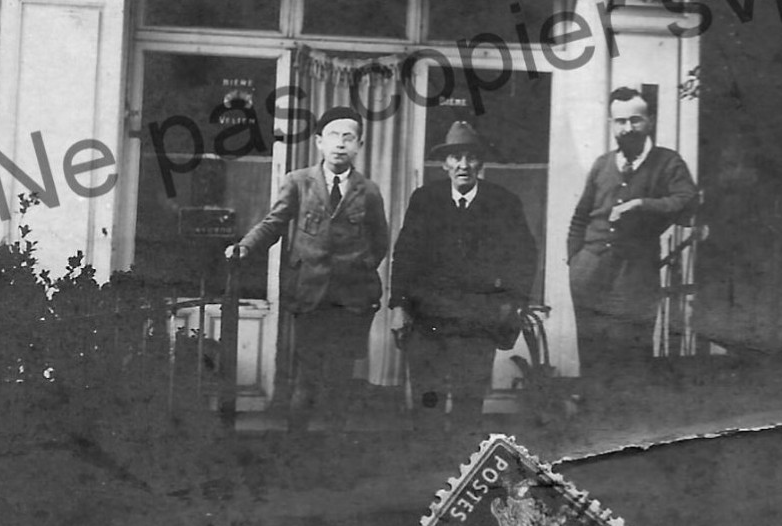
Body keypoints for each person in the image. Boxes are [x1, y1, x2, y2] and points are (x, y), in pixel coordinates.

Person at [226, 106, 389, 431]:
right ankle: (296, 454)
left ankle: (332, 459)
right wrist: (245, 247)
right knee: (306, 375)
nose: (340, 144)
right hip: (309, 296)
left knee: (340, 379)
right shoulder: (298, 182)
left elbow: (379, 241)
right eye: (333, 136)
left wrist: (359, 269)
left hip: (350, 301)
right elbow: (273, 224)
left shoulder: (368, 191)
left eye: (348, 137)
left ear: (358, 145)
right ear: (319, 142)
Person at [390, 122, 537, 430]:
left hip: (476, 322)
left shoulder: (503, 203)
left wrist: (510, 304)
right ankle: (426, 467)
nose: (464, 165)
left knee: (468, 404)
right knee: (427, 399)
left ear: (480, 163)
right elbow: (405, 256)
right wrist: (398, 306)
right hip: (428, 318)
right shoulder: (424, 200)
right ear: (445, 163)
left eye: (471, 157)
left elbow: (524, 257)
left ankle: (461, 468)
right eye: (456, 158)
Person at [566, 87, 697, 382]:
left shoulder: (667, 162)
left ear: (649, 121)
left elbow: (688, 200)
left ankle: (626, 427)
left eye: (635, 120)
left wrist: (643, 204)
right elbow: (580, 217)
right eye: (620, 121)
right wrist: (575, 261)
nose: (628, 128)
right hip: (589, 277)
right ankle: (595, 425)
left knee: (631, 361)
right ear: (612, 124)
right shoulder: (602, 164)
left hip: (635, 278)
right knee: (592, 360)